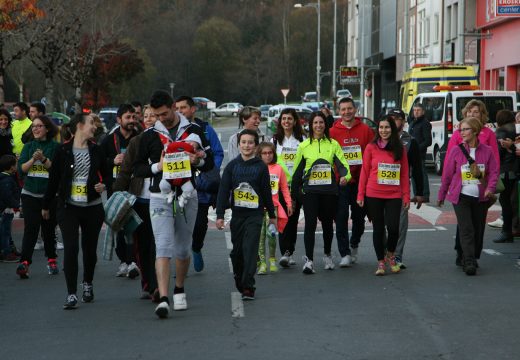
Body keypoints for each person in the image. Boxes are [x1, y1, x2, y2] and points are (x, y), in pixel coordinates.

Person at [134, 90, 214, 319]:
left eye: (165, 113)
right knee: (163, 246)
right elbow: (137, 168)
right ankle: (163, 298)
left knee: (182, 247)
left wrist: (197, 160)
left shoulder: (194, 130)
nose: (162, 118)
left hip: (187, 196)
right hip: (159, 196)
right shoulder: (149, 135)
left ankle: (179, 288)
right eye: (157, 115)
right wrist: (157, 167)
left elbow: (208, 165)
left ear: (173, 107)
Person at [42, 113, 108, 309]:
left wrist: (102, 185)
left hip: (92, 207)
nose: (94, 127)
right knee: (71, 248)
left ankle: (87, 283)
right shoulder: (62, 151)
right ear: (79, 126)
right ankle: (71, 293)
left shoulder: (97, 150)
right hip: (68, 206)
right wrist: (46, 206)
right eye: (91, 124)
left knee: (89, 249)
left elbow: (107, 176)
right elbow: (53, 180)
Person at [216, 130, 275, 299]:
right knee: (238, 252)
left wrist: (272, 215)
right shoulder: (232, 166)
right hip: (238, 216)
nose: (247, 145)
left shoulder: (261, 166)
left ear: (255, 146)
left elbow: (266, 192)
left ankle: (249, 285)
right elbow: (223, 191)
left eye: (250, 142)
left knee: (250, 249)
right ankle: (238, 275)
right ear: (238, 144)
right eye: (244, 142)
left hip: (255, 215)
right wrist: (220, 214)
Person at [438, 117, 499, 275]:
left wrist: (490, 188)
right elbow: (447, 174)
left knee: (478, 229)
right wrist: (441, 194)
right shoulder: (456, 150)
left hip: (481, 197)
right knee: (467, 229)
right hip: (461, 197)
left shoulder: (487, 151)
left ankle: (469, 255)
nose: (462, 132)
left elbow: (493, 172)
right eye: (461, 130)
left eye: (465, 129)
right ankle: (469, 261)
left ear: (475, 131)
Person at [292, 112, 351, 274]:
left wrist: (346, 176)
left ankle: (327, 255)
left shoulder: (333, 144)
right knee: (310, 224)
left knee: (327, 224)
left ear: (325, 125)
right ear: (310, 126)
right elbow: (297, 173)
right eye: (315, 123)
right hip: (310, 192)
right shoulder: (303, 146)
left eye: (321, 122)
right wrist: (294, 195)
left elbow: (342, 165)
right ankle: (309, 260)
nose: (318, 126)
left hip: (329, 192)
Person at [113, 105, 159, 300]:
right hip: (139, 199)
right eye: (145, 116)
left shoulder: (166, 141)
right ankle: (148, 283)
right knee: (143, 245)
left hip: (161, 199)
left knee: (159, 246)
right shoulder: (136, 142)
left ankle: (158, 284)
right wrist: (117, 196)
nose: (148, 119)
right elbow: (125, 171)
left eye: (153, 116)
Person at [175, 95, 224, 273]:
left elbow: (218, 153)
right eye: (177, 108)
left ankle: (196, 247)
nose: (180, 111)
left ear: (193, 109)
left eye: (183, 108)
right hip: (179, 185)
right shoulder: (173, 132)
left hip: (202, 186)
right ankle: (181, 260)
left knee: (200, 224)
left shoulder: (205, 129)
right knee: (178, 225)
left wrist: (210, 170)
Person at [357, 116, 410, 276]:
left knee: (394, 228)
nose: (384, 130)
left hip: (394, 194)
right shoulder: (371, 148)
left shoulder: (399, 148)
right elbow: (364, 172)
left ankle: (391, 254)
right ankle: (381, 262)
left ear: (392, 129)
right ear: (377, 129)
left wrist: (406, 196)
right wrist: (360, 194)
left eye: (387, 127)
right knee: (378, 229)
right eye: (381, 127)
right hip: (373, 194)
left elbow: (404, 174)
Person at [329, 97, 374, 266]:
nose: (346, 112)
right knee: (340, 218)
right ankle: (344, 253)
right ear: (339, 112)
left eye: (349, 108)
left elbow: (371, 155)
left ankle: (354, 243)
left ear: (355, 110)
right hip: (340, 183)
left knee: (359, 217)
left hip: (360, 182)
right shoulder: (332, 132)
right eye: (343, 109)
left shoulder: (366, 130)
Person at [15, 116, 60, 278]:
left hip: (49, 196)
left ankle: (52, 259)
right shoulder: (28, 146)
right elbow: (22, 170)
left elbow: (56, 171)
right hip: (30, 195)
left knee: (48, 230)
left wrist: (44, 159)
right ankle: (24, 263)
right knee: (31, 229)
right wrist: (34, 159)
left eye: (39, 126)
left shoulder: (55, 147)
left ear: (47, 129)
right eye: (33, 126)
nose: (35, 129)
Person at [101, 103, 139, 278]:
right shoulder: (109, 140)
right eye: (128, 118)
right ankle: (124, 261)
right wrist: (112, 161)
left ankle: (133, 262)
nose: (132, 121)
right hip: (115, 189)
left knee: (134, 226)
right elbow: (99, 163)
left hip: (136, 189)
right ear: (119, 120)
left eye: (133, 117)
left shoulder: (140, 138)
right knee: (119, 226)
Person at [388, 109, 424, 269]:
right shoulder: (379, 139)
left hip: (402, 187)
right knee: (382, 223)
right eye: (391, 118)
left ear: (403, 121)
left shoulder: (411, 141)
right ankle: (384, 253)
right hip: (380, 188)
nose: (394, 121)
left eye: (397, 118)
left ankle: (397, 255)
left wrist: (421, 193)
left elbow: (417, 169)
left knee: (400, 224)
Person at [272, 108, 306, 267]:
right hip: (279, 186)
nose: (286, 121)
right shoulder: (274, 140)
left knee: (292, 219)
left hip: (297, 186)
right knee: (282, 217)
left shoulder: (302, 139)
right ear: (280, 121)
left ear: (295, 121)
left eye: (289, 119)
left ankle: (289, 251)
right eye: (284, 118)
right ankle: (285, 252)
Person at [256, 142, 292, 274]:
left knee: (271, 235)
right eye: (264, 153)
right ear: (259, 155)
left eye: (270, 153)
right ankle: (262, 263)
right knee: (260, 236)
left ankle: (272, 260)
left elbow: (284, 189)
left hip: (273, 209)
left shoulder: (278, 169)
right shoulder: (257, 168)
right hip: (258, 208)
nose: (267, 156)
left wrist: (288, 204)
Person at [158, 133, 204, 207]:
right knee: (162, 185)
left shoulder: (193, 152)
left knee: (189, 189)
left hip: (184, 177)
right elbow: (166, 150)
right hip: (170, 174)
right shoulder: (176, 146)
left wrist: (201, 154)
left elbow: (202, 156)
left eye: (195, 145)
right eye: (190, 142)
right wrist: (166, 148)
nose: (191, 145)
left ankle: (182, 197)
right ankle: (169, 193)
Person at [492, 110, 516, 243]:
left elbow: (497, 153)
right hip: (515, 170)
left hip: (506, 170)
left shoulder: (501, 131)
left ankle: (507, 231)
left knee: (505, 201)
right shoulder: (516, 129)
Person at [408, 103, 431, 202]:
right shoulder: (413, 122)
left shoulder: (425, 123)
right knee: (413, 174)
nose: (416, 112)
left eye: (418, 110)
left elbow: (428, 141)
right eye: (414, 110)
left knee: (421, 174)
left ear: (423, 111)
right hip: (412, 153)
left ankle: (425, 195)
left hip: (419, 153)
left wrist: (417, 148)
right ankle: (417, 194)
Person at [0, 154, 20, 262]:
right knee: (5, 231)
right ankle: (6, 252)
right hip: (6, 210)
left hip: (6, 209)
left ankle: (9, 249)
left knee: (6, 230)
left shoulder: (6, 178)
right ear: (12, 167)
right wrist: (17, 205)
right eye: (16, 165)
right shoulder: (7, 180)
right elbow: (8, 196)